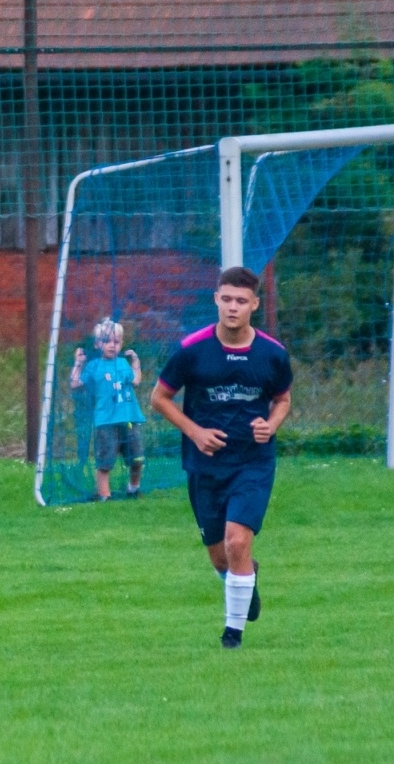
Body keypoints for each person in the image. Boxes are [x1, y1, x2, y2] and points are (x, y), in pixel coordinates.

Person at [150, 267, 292, 649]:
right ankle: (246, 580)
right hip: (205, 466)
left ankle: (233, 635)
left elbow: (283, 400)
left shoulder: (272, 354)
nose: (233, 307)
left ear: (254, 305)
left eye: (241, 301)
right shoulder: (192, 349)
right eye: (226, 299)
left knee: (237, 542)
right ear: (216, 299)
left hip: (252, 462)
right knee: (220, 558)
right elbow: (159, 398)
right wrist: (195, 432)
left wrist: (273, 424)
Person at [70, 318, 145, 500]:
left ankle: (133, 488)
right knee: (105, 461)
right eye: (107, 341)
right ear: (97, 344)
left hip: (129, 419)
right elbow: (75, 384)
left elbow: (135, 381)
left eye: (116, 342)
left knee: (137, 458)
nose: (112, 345)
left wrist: (136, 362)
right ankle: (104, 495)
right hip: (105, 421)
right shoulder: (94, 366)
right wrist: (78, 364)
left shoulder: (122, 364)